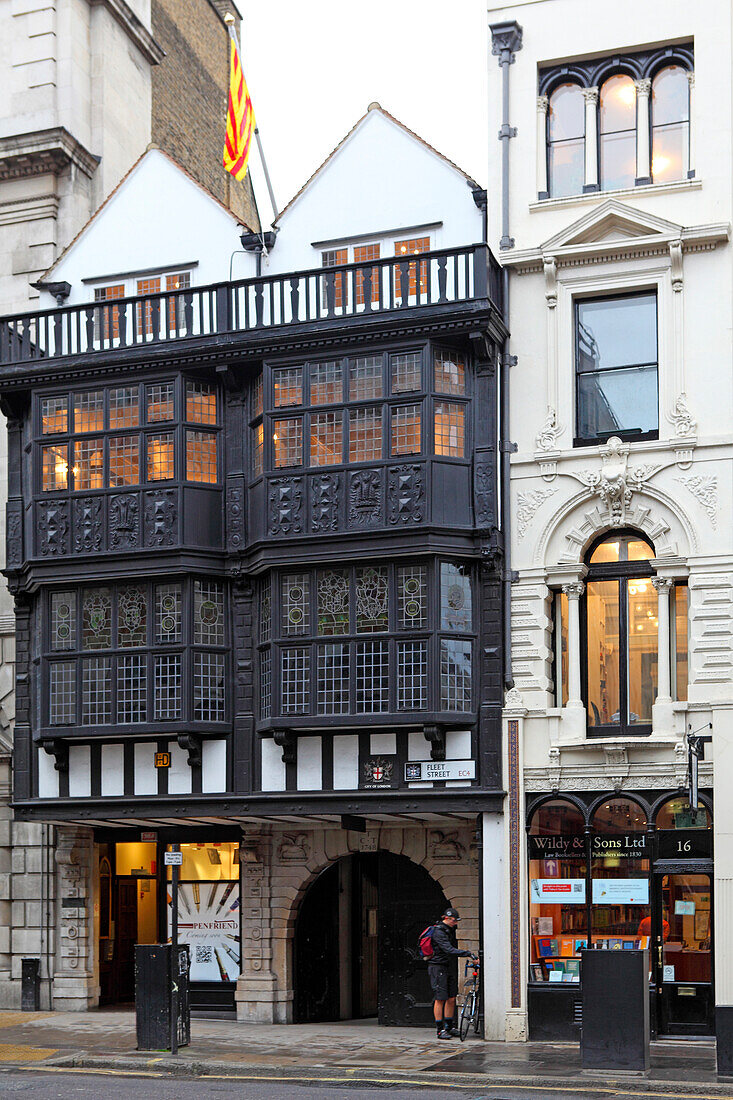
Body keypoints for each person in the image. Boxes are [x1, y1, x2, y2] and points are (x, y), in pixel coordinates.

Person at [427, 907, 475, 1039]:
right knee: (440, 998)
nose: (456, 923)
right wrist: (468, 953)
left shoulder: (448, 930)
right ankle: (439, 1029)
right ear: (447, 918)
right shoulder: (439, 931)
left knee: (451, 997)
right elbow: (448, 949)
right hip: (438, 968)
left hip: (447, 967)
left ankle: (449, 1026)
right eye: (454, 920)